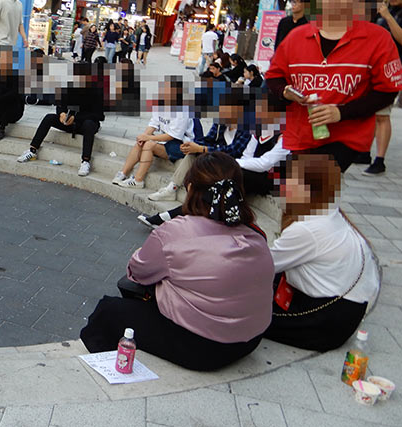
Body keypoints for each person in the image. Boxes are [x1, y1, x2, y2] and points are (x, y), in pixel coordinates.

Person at [81, 152, 273, 371]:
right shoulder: (255, 232)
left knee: (108, 311)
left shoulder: (175, 232)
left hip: (208, 348)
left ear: (190, 188)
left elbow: (137, 272)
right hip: (252, 340)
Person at [266, 0, 402, 172]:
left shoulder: (377, 38)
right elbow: (273, 76)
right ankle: (331, 208)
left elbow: (387, 92)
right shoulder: (297, 37)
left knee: (308, 189)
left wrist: (341, 112)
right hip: (302, 132)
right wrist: (286, 91)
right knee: (303, 198)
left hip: (347, 136)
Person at [264, 154, 379, 351]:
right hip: (346, 310)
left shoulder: (307, 228)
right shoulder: (329, 211)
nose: (281, 188)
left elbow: (261, 265)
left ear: (310, 190)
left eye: (289, 183)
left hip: (324, 321)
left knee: (247, 317)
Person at [139, 94, 290, 227]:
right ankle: (174, 213)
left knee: (218, 184)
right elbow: (245, 156)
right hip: (242, 168)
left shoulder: (284, 135)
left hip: (265, 178)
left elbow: (264, 163)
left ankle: (172, 216)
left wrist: (225, 163)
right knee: (210, 181)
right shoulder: (254, 130)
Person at [147, 86, 252, 201]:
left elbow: (234, 150)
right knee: (192, 153)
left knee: (198, 154)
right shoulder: (221, 122)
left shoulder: (247, 127)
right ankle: (172, 188)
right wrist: (192, 145)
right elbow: (208, 138)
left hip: (235, 165)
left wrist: (202, 148)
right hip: (217, 159)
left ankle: (191, 195)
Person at [16, 61, 106, 177]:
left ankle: (85, 161)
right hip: (68, 122)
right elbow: (60, 104)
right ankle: (32, 150)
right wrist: (62, 114)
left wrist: (76, 118)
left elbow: (99, 116)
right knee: (49, 118)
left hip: (85, 123)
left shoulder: (96, 90)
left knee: (89, 124)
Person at [113, 77, 193, 188]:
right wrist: (144, 136)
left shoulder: (183, 110)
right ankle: (123, 173)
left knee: (149, 143)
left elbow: (172, 136)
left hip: (181, 145)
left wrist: (148, 138)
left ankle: (138, 180)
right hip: (165, 142)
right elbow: (153, 125)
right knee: (141, 142)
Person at [366, 0, 402, 175]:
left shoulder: (389, 15)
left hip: (393, 70)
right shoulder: (381, 14)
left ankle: (380, 159)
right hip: (373, 68)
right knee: (371, 111)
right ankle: (364, 152)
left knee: (382, 114)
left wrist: (388, 17)